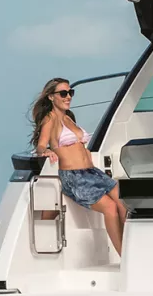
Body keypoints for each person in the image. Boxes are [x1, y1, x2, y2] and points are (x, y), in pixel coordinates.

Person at [32, 78, 128, 256]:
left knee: (124, 204)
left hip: (92, 173)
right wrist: (45, 152)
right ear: (51, 97)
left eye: (70, 93)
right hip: (74, 177)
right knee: (110, 208)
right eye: (63, 93)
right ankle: (124, 256)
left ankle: (132, 251)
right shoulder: (50, 119)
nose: (68, 97)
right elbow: (41, 145)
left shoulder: (69, 118)